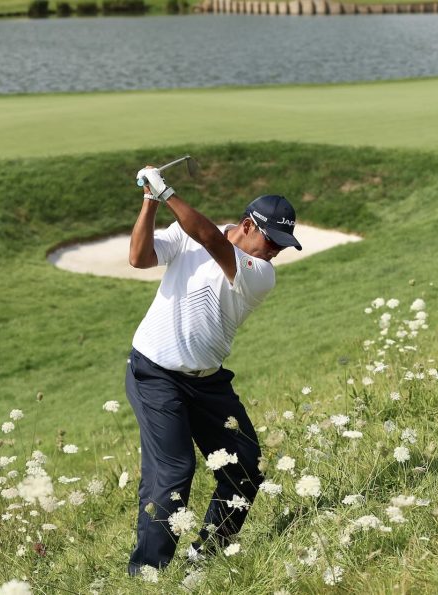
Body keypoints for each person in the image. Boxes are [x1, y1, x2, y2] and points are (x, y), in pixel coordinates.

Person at [124, 165, 302, 575]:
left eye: (282, 245)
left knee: (245, 465)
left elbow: (207, 237)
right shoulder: (193, 236)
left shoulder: (260, 274)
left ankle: (207, 554)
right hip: (154, 373)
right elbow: (139, 257)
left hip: (207, 381)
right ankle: (148, 574)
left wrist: (165, 190)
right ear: (246, 226)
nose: (275, 251)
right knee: (172, 471)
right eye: (272, 241)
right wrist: (150, 201)